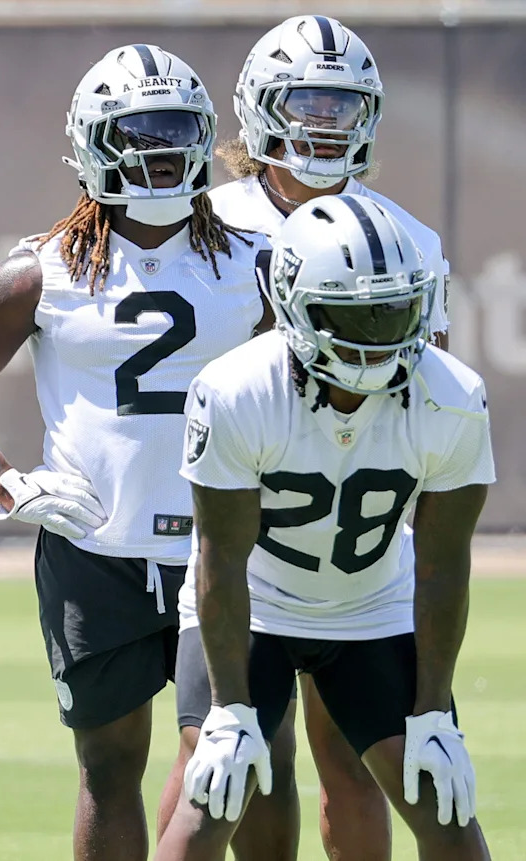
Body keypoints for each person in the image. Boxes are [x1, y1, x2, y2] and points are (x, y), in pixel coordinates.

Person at [0, 44, 302, 861]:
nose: (159, 153)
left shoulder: (257, 264)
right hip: (97, 548)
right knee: (108, 767)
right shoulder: (45, 268)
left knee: (241, 757)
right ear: (93, 141)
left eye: (176, 132)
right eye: (138, 133)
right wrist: (6, 479)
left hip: (223, 548)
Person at [163, 17, 452, 859]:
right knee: (224, 761)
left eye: (341, 104)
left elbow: (419, 392)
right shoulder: (200, 219)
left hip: (344, 534)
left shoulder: (404, 239)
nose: (323, 123)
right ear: (259, 107)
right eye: (306, 101)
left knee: (351, 762)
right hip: (222, 517)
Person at [156, 193, 494, 861]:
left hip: (372, 605)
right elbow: (220, 556)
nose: (376, 333)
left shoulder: (451, 396)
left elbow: (443, 564)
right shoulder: (237, 391)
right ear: (293, 305)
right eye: (351, 312)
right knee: (214, 800)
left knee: (447, 808)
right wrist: (229, 709)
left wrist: (433, 711)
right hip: (254, 608)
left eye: (393, 308)